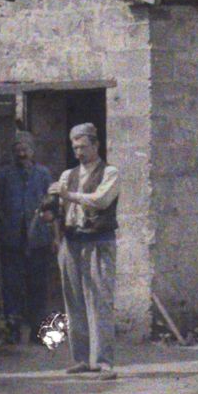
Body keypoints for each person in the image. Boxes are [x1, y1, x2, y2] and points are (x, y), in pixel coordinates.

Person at [48, 122, 120, 376]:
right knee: (74, 301)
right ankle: (81, 358)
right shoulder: (68, 175)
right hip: (72, 241)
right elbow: (60, 208)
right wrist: (51, 209)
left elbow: (101, 200)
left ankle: (103, 361)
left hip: (98, 241)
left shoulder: (110, 172)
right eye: (75, 147)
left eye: (83, 147)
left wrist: (69, 196)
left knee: (100, 300)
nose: (78, 152)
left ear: (96, 145)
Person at [0, 129, 55, 345]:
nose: (22, 153)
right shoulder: (4, 174)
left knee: (38, 285)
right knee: (12, 285)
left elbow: (51, 202)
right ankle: (12, 329)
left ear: (33, 151)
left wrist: (49, 223)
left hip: (38, 239)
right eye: (18, 149)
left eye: (26, 149)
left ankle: (38, 330)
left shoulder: (43, 174)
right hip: (11, 239)